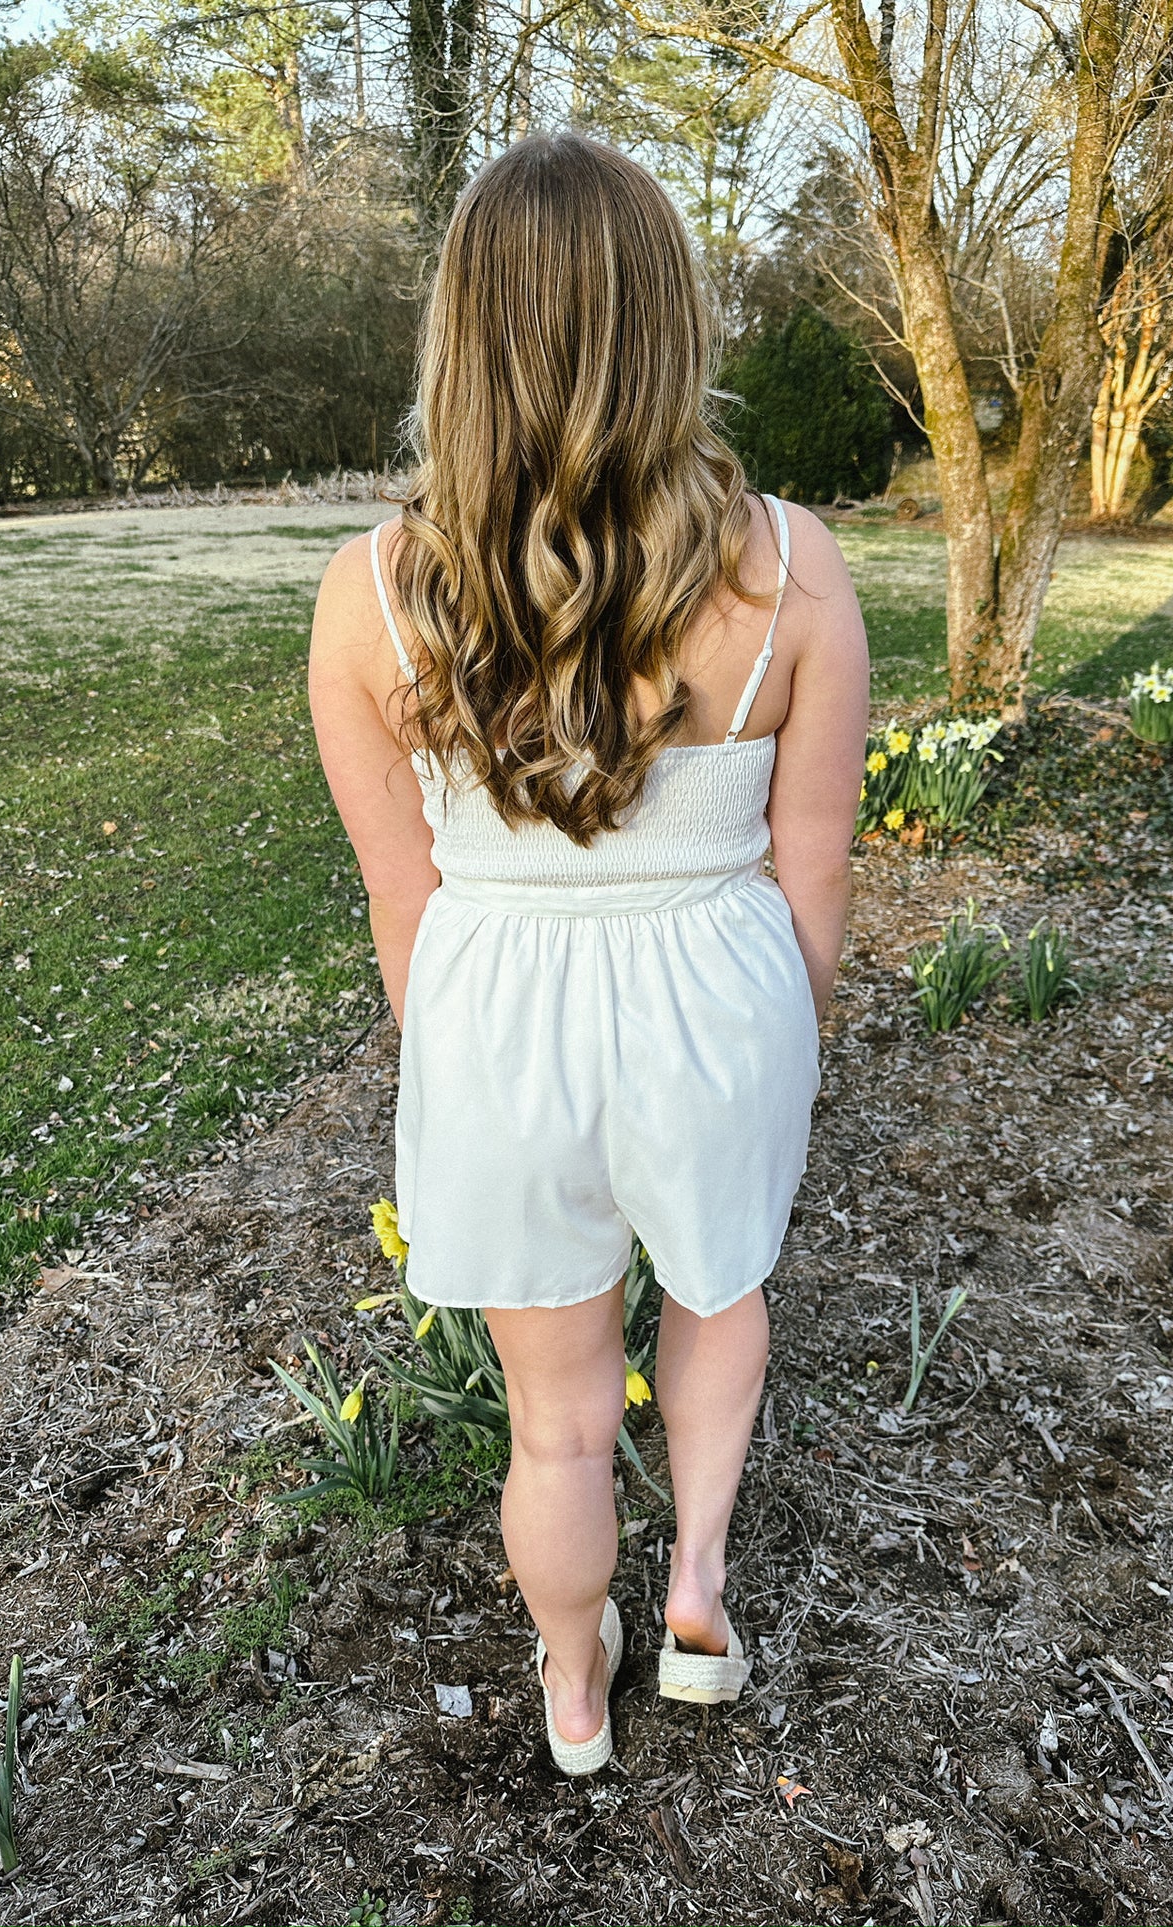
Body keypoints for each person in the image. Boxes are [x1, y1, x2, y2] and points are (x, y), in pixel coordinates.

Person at [309, 131, 868, 1775]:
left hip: (496, 1015)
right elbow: (812, 857)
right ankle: (694, 1583)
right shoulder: (790, 564)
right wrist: (792, 1033)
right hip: (715, 986)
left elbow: (396, 891)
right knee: (718, 1285)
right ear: (667, 322)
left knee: (553, 1417)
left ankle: (570, 1681)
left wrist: (454, 1060)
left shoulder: (372, 596)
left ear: (459, 333)